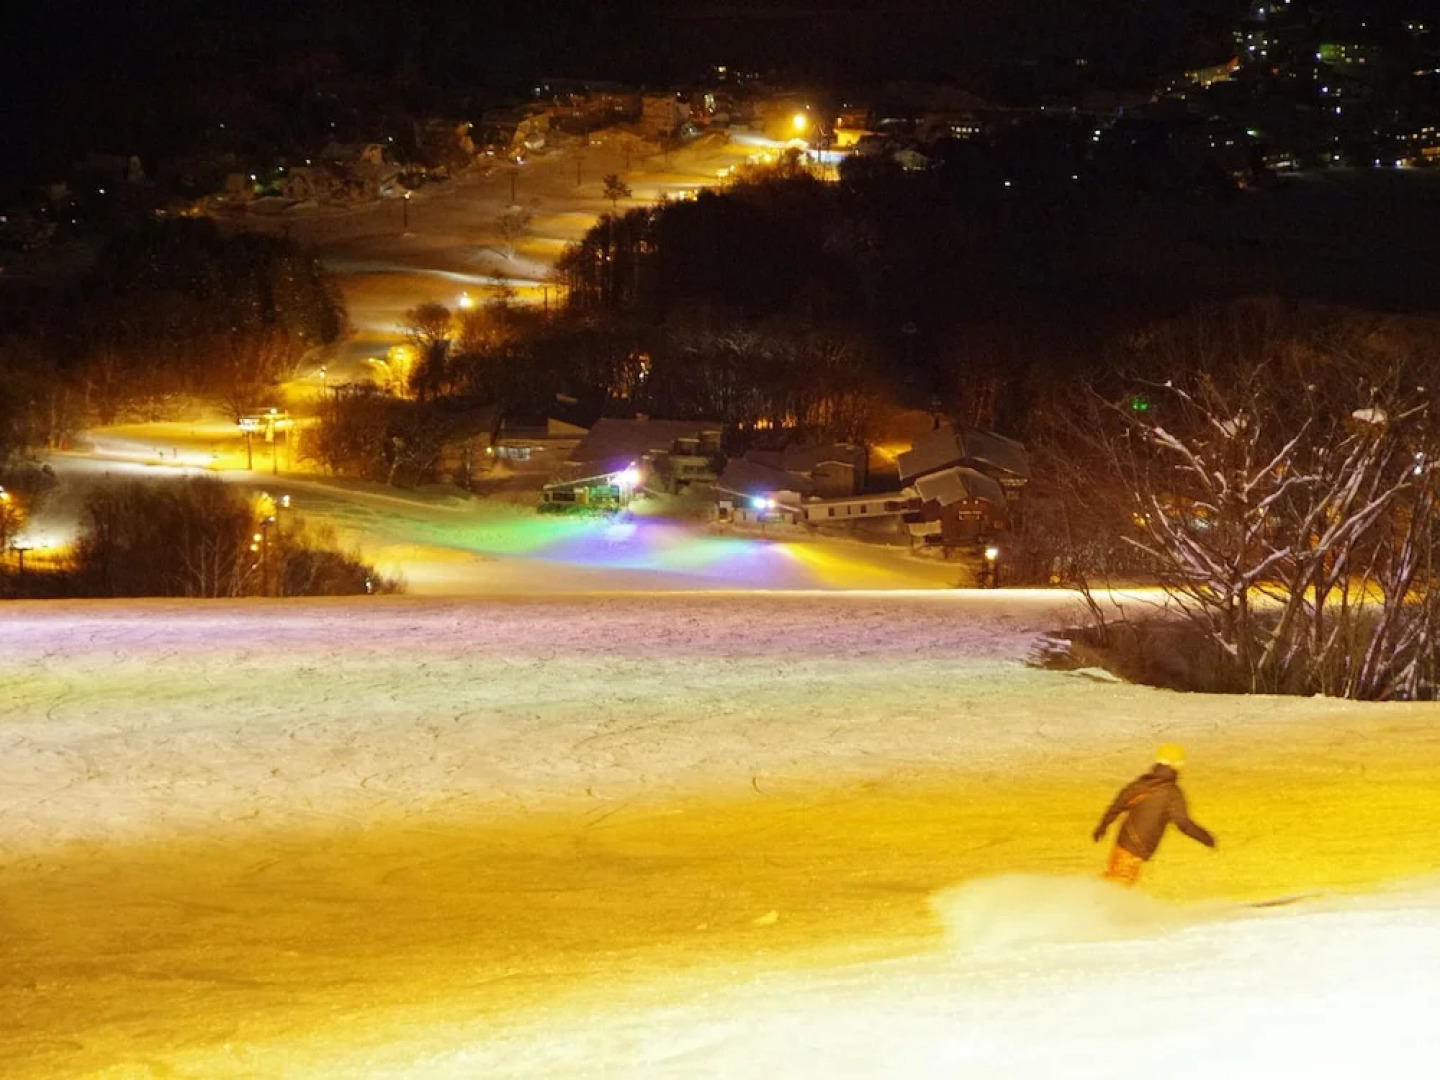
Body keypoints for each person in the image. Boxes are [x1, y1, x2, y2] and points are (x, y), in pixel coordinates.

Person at [1092, 743, 1215, 886]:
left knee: (1113, 877)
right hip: (1136, 848)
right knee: (1119, 884)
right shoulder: (1172, 793)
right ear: (1176, 765)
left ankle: (1081, 896)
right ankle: (1082, 902)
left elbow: (1118, 804)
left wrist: (1103, 825)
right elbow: (1183, 824)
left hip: (1123, 841)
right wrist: (1206, 838)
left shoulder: (1142, 783)